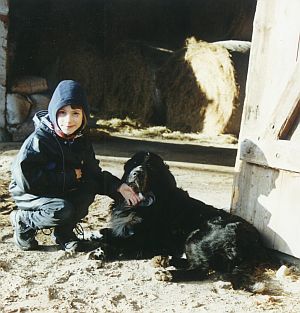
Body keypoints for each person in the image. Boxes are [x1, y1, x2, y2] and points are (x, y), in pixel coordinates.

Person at [9, 80, 141, 252]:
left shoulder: (81, 140)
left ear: (84, 116)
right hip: (31, 192)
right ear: (53, 112)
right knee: (62, 209)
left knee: (89, 186)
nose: (68, 120)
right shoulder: (39, 140)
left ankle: (64, 234)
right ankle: (23, 220)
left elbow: (93, 174)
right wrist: (69, 176)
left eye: (75, 113)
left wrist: (118, 187)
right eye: (62, 113)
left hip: (57, 189)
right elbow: (27, 180)